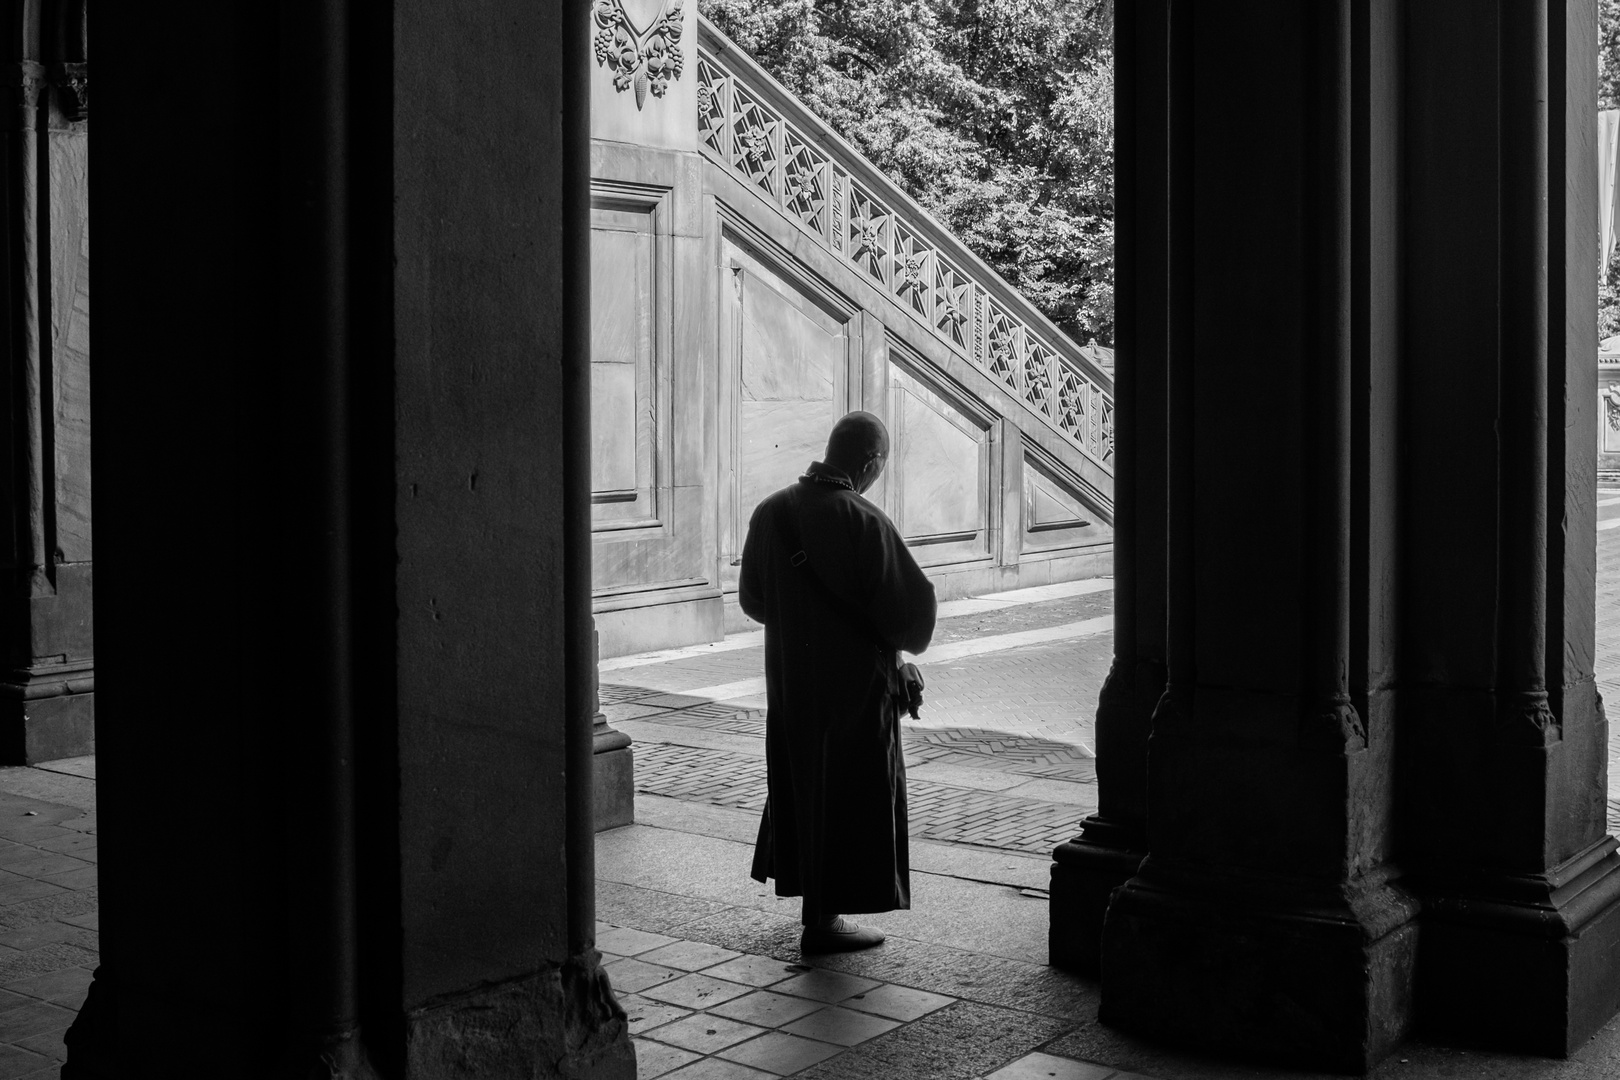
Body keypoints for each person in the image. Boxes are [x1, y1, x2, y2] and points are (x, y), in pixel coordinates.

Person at [739, 411, 937, 953]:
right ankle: (824, 922)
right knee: (852, 791)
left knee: (803, 784)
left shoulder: (771, 512)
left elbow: (752, 600)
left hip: (791, 684)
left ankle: (816, 911)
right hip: (855, 690)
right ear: (871, 463)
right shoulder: (864, 520)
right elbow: (911, 623)